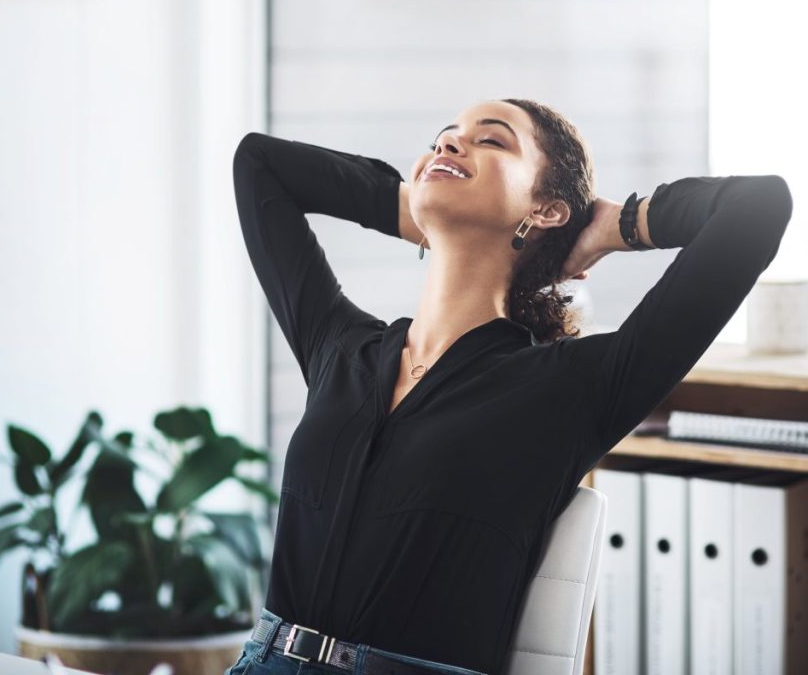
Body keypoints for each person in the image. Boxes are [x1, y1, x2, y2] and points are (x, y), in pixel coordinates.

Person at [230, 98, 793, 675]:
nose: (448, 145)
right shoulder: (340, 347)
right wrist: (421, 205)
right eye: (443, 138)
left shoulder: (572, 387)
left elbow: (758, 207)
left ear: (546, 209)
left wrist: (617, 225)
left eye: (491, 141)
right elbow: (259, 163)